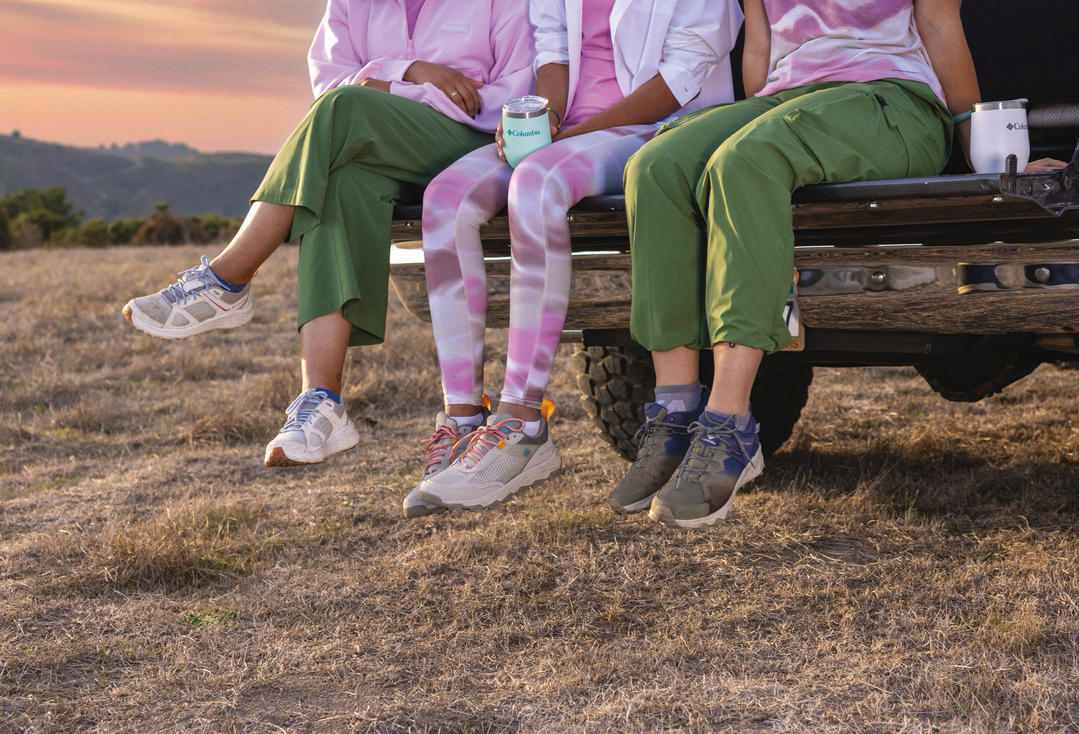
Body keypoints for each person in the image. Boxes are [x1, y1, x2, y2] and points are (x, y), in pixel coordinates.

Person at [608, 0, 984, 528]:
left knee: (744, 162)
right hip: (792, 99)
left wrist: (985, 153)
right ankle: (675, 414)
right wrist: (760, 124)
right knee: (655, 166)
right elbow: (760, 46)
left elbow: (940, 24)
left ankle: (730, 425)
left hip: (894, 101)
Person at [121, 0, 535, 467]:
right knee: (342, 181)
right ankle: (322, 402)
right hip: (375, 147)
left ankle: (227, 278)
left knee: (346, 109)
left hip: (471, 146)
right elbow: (329, 82)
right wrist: (411, 73)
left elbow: (514, 95)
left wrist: (389, 91)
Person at [405, 0, 742, 517]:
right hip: (565, 137)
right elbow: (554, 50)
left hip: (660, 130)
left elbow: (681, 80)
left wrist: (564, 141)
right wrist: (542, 120)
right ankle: (465, 423)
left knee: (536, 185)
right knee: (445, 200)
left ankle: (522, 424)